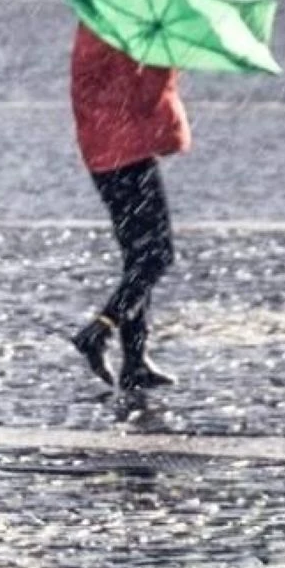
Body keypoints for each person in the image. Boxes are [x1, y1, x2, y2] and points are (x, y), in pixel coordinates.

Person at [69, 21, 190, 391]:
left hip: (105, 155)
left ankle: (134, 361)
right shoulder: (117, 36)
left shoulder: (95, 29)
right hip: (127, 156)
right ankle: (100, 329)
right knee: (156, 256)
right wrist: (164, 58)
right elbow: (142, 98)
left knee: (137, 259)